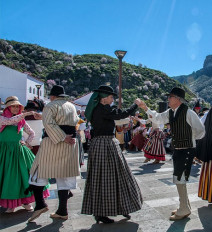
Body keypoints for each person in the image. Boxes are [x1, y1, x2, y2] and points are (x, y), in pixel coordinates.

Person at [138, 87, 205, 221]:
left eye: (170, 97)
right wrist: (145, 108)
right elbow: (157, 118)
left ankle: (184, 208)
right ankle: (184, 206)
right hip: (179, 148)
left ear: (178, 99)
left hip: (186, 149)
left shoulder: (189, 113)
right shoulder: (171, 112)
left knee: (179, 178)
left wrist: (189, 139)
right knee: (179, 178)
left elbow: (201, 131)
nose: (168, 99)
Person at [81, 85, 143, 224]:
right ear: (103, 99)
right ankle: (101, 212)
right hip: (104, 144)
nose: (112, 99)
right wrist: (135, 105)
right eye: (110, 97)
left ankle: (120, 206)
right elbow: (120, 115)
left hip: (107, 143)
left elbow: (118, 114)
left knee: (115, 176)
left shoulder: (104, 109)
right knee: (106, 178)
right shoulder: (101, 110)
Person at [27, 85, 80, 222]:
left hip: (53, 143)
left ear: (52, 96)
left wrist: (62, 137)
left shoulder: (50, 106)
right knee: (64, 178)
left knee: (37, 172)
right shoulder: (71, 106)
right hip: (70, 144)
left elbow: (50, 124)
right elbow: (69, 123)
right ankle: (62, 210)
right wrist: (67, 137)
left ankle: (40, 204)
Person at [0, 96, 48, 213]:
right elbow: (9, 121)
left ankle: (26, 202)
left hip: (18, 151)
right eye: (13, 106)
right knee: (7, 177)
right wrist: (24, 115)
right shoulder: (2, 118)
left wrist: (25, 142)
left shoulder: (21, 120)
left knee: (24, 176)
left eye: (18, 106)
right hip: (4, 151)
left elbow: (31, 133)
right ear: (8, 107)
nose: (16, 108)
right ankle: (11, 204)